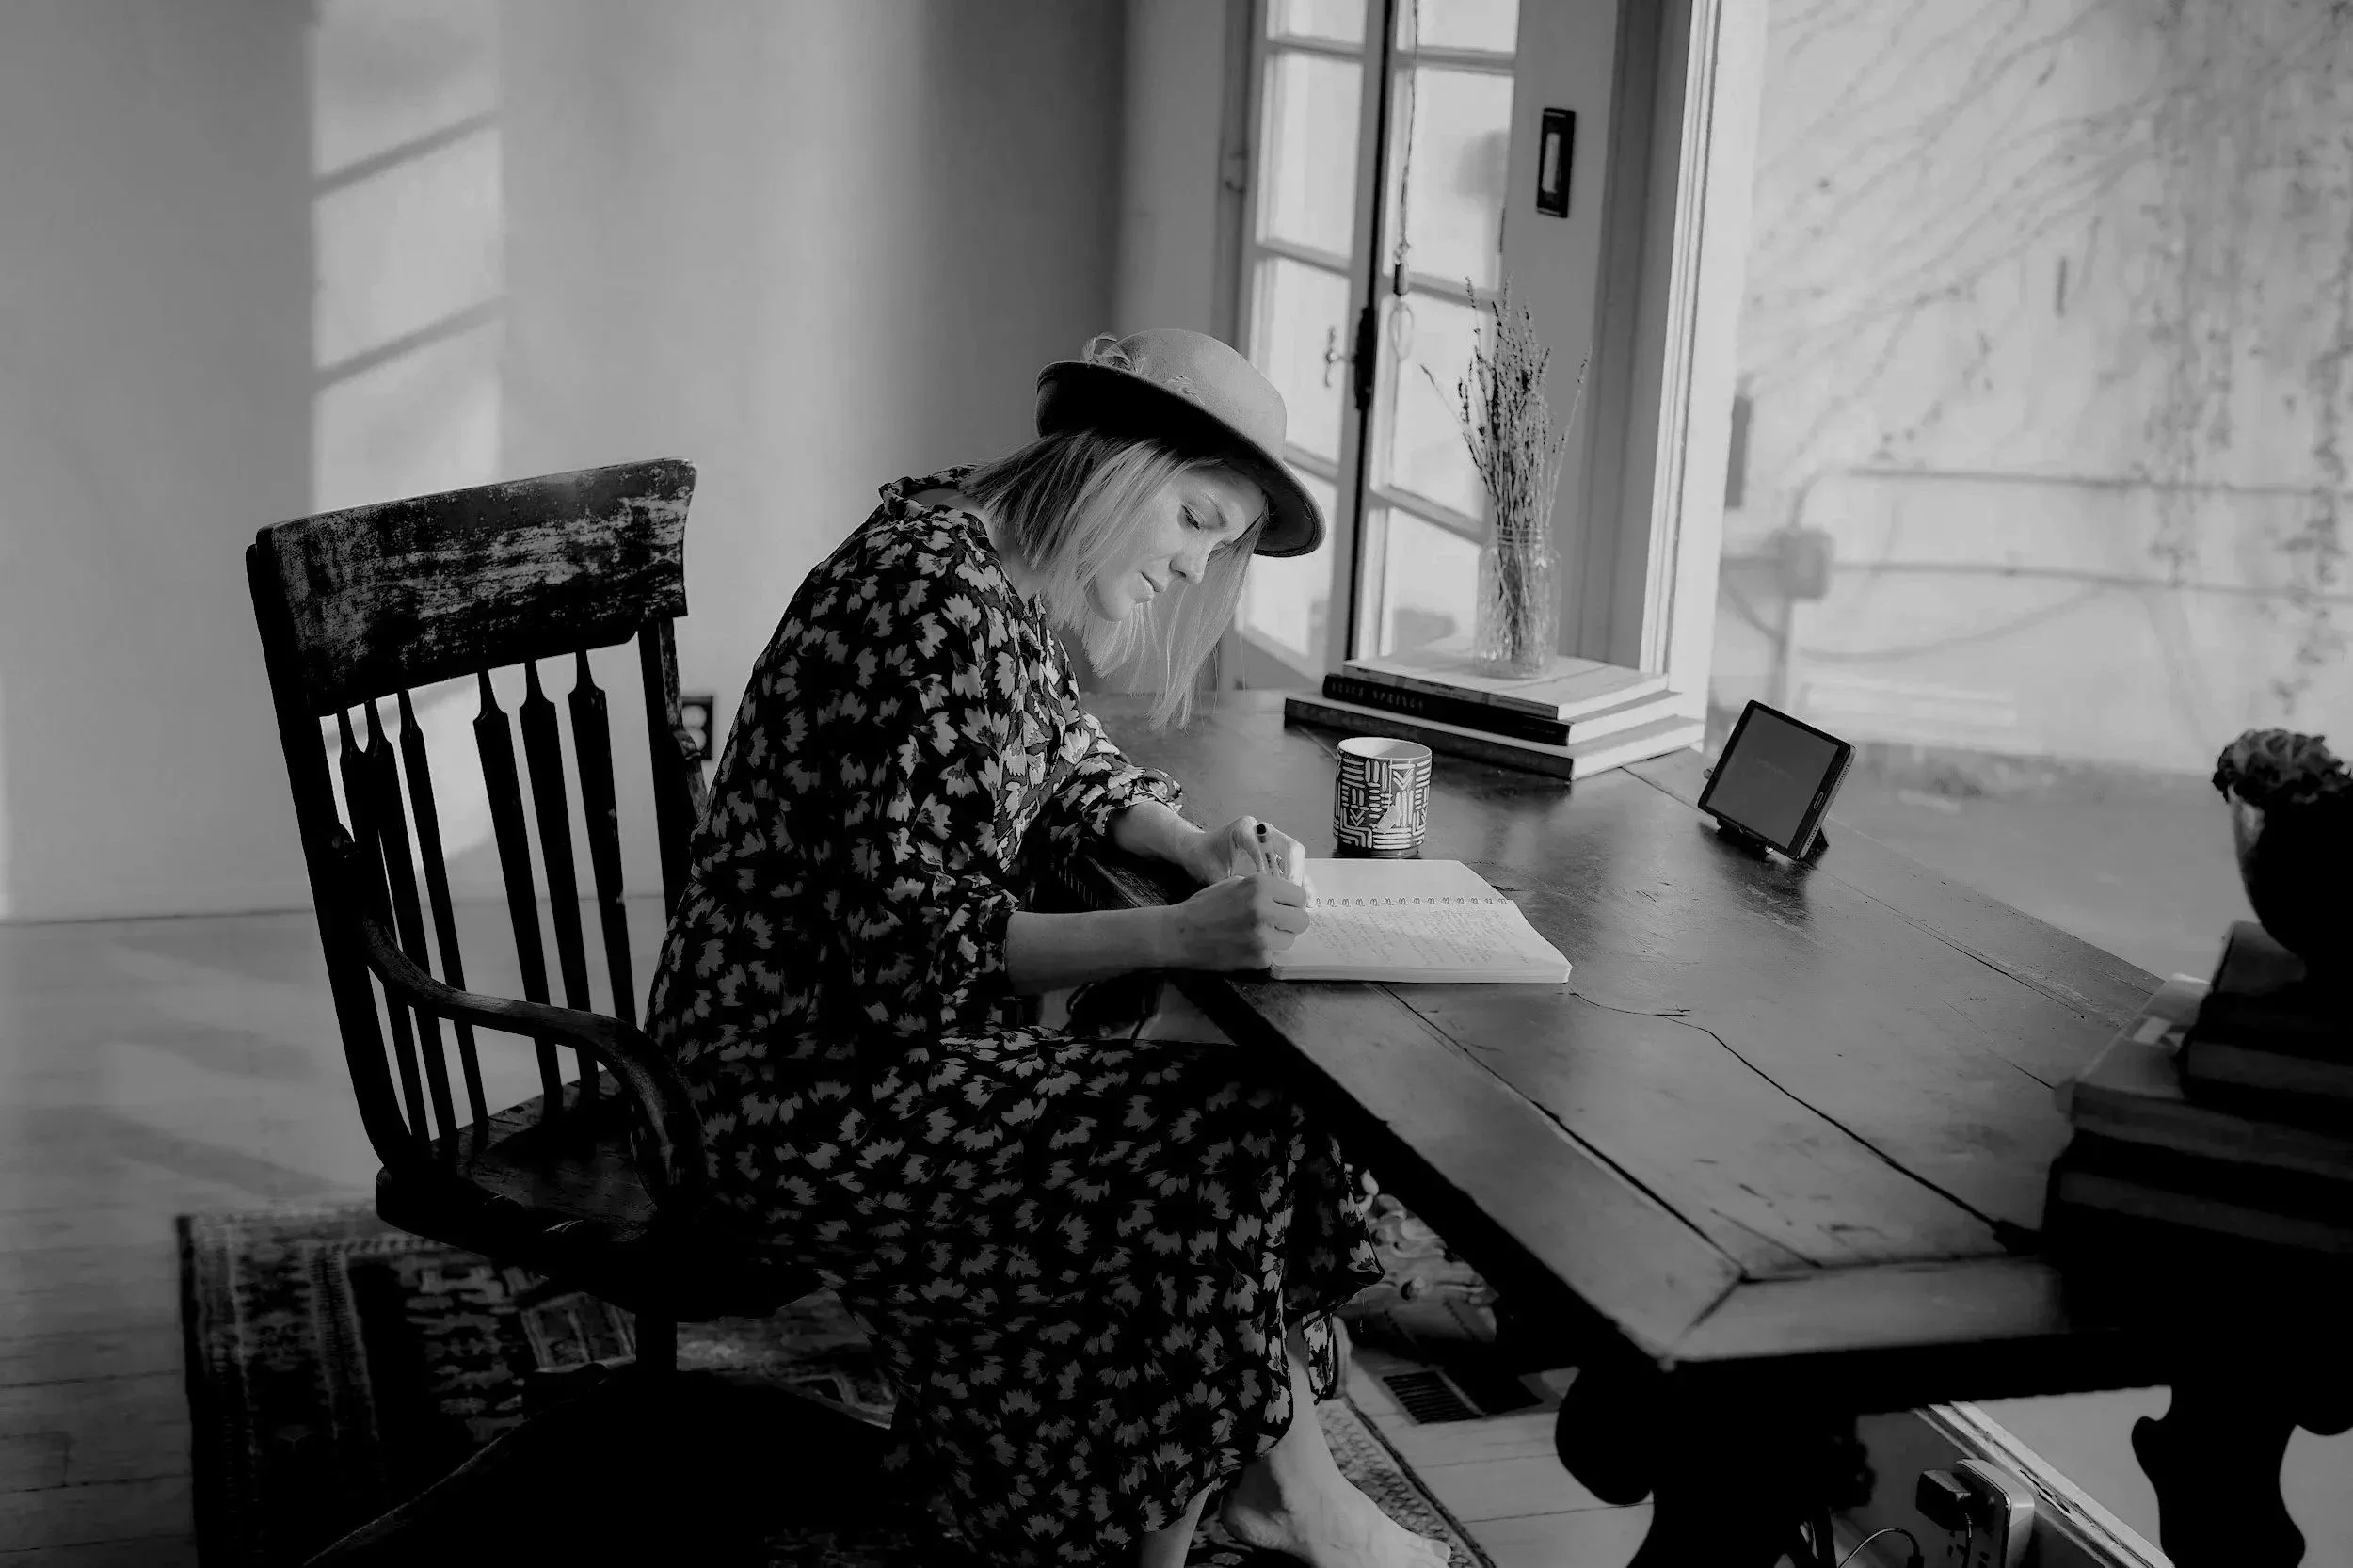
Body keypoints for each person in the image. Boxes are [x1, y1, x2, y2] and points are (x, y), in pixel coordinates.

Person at [641, 328, 1452, 1568]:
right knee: (1214, 1130)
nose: (1191, 567)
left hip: (837, 1049)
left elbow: (1055, 752)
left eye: (1215, 543)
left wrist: (1183, 838)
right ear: (1122, 464)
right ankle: (1221, 1505)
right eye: (1192, 520)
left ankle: (1255, 1482)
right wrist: (1179, 930)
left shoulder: (975, 558)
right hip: (791, 1088)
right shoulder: (936, 608)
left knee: (1231, 1104)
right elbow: (924, 960)